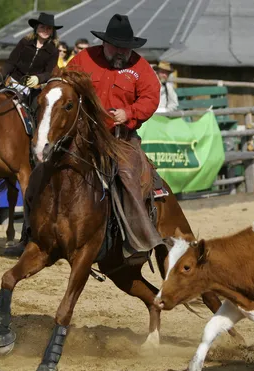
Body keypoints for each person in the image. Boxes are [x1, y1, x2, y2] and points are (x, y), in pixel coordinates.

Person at [68, 13, 163, 263]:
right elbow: (66, 84)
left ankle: (137, 240)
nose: (122, 52)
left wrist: (129, 112)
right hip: (83, 134)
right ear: (105, 44)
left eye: (126, 48)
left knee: (127, 176)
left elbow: (151, 97)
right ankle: (33, 231)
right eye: (117, 46)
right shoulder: (83, 59)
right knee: (45, 164)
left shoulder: (140, 67)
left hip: (119, 137)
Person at [0, 12, 61, 112]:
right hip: (12, 83)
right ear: (36, 28)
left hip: (34, 89)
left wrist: (38, 78)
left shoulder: (54, 50)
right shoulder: (24, 42)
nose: (45, 30)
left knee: (38, 111)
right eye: (42, 27)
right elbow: (11, 62)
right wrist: (0, 72)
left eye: (49, 28)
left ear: (52, 32)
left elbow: (49, 73)